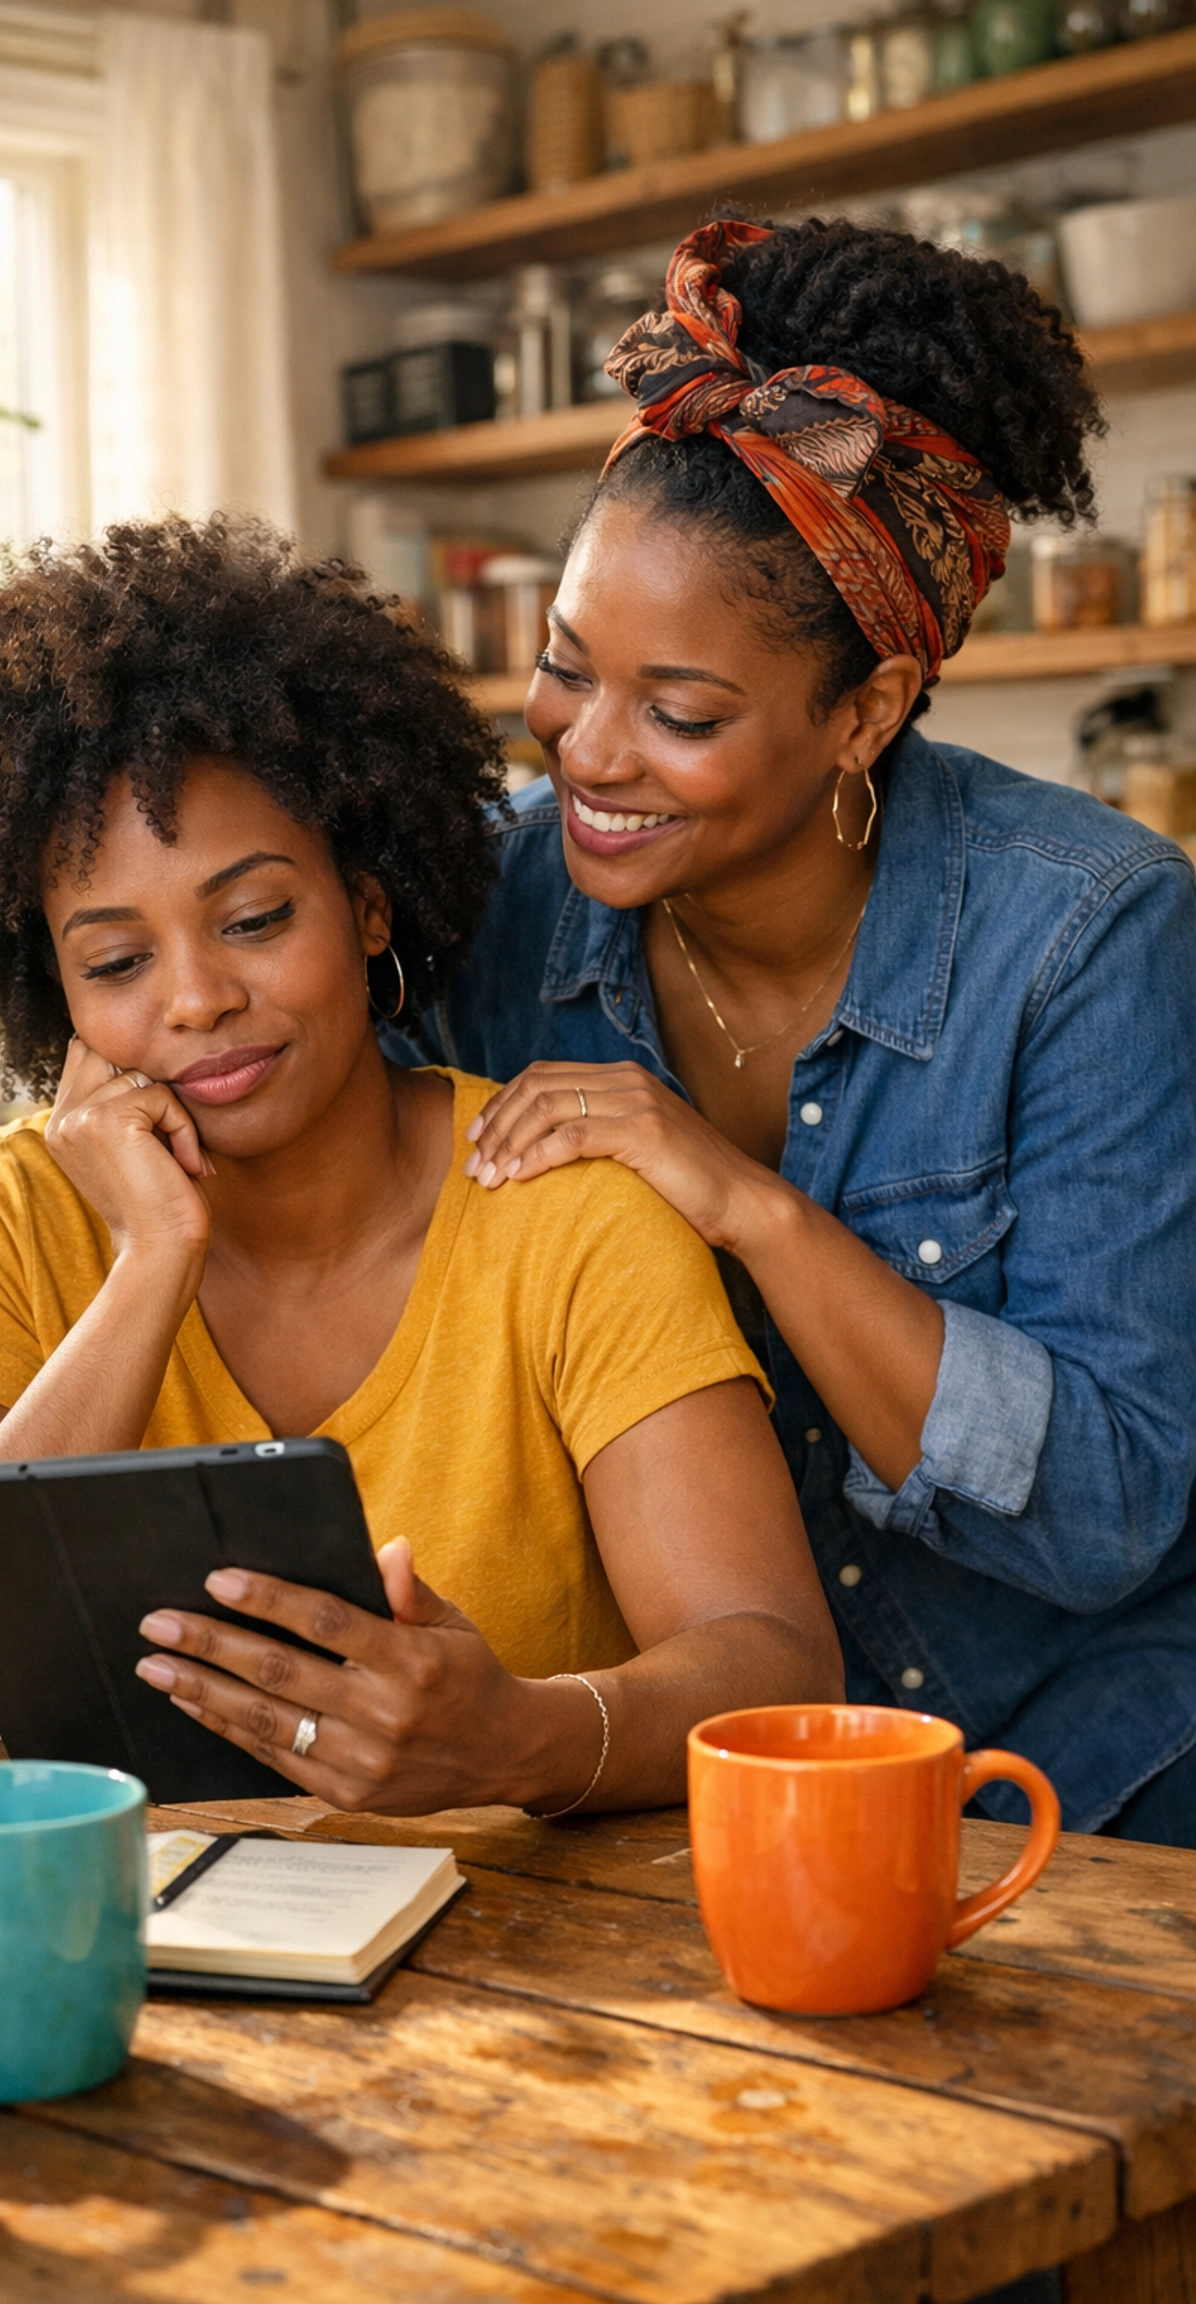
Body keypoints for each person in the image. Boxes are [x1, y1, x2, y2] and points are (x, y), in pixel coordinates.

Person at [0, 514, 841, 1815]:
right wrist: (149, 1268)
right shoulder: (9, 1217)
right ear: (52, 984)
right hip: (143, 1967)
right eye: (117, 962)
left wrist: (516, 1739)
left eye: (253, 919)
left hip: (547, 1967)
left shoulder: (562, 1204)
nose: (194, 1000)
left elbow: (776, 1667)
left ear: (364, 901)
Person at [387, 215, 1196, 1846]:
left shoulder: (1090, 932)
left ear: (867, 713)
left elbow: (1112, 1505)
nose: (587, 756)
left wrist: (746, 1208)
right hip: (693, 1795)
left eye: (679, 714)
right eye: (562, 669)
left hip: (1096, 1779)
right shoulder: (491, 903)